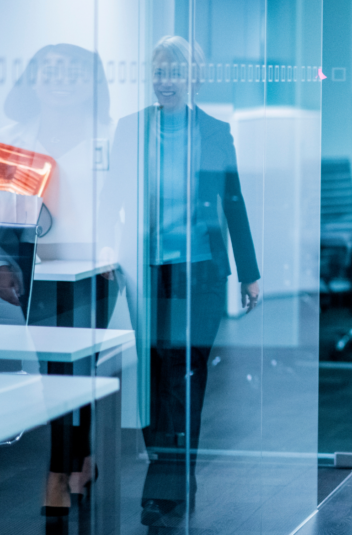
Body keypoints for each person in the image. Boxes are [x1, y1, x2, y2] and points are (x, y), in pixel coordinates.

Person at [100, 35, 261, 530]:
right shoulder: (131, 130)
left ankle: (165, 488)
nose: (164, 80)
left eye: (174, 72)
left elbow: (233, 202)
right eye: (158, 71)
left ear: (193, 78)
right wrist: (105, 251)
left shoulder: (215, 132)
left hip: (202, 271)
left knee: (184, 374)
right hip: (146, 270)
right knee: (153, 375)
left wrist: (250, 273)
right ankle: (175, 478)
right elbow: (110, 199)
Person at [0, 44, 115, 521]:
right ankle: (78, 462)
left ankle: (59, 475)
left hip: (95, 271)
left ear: (92, 82)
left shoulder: (110, 135)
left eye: (74, 70)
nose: (61, 78)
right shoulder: (11, 139)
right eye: (50, 68)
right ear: (32, 77)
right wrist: (0, 266)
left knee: (77, 370)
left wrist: (114, 250)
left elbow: (123, 203)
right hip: (35, 272)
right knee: (54, 375)